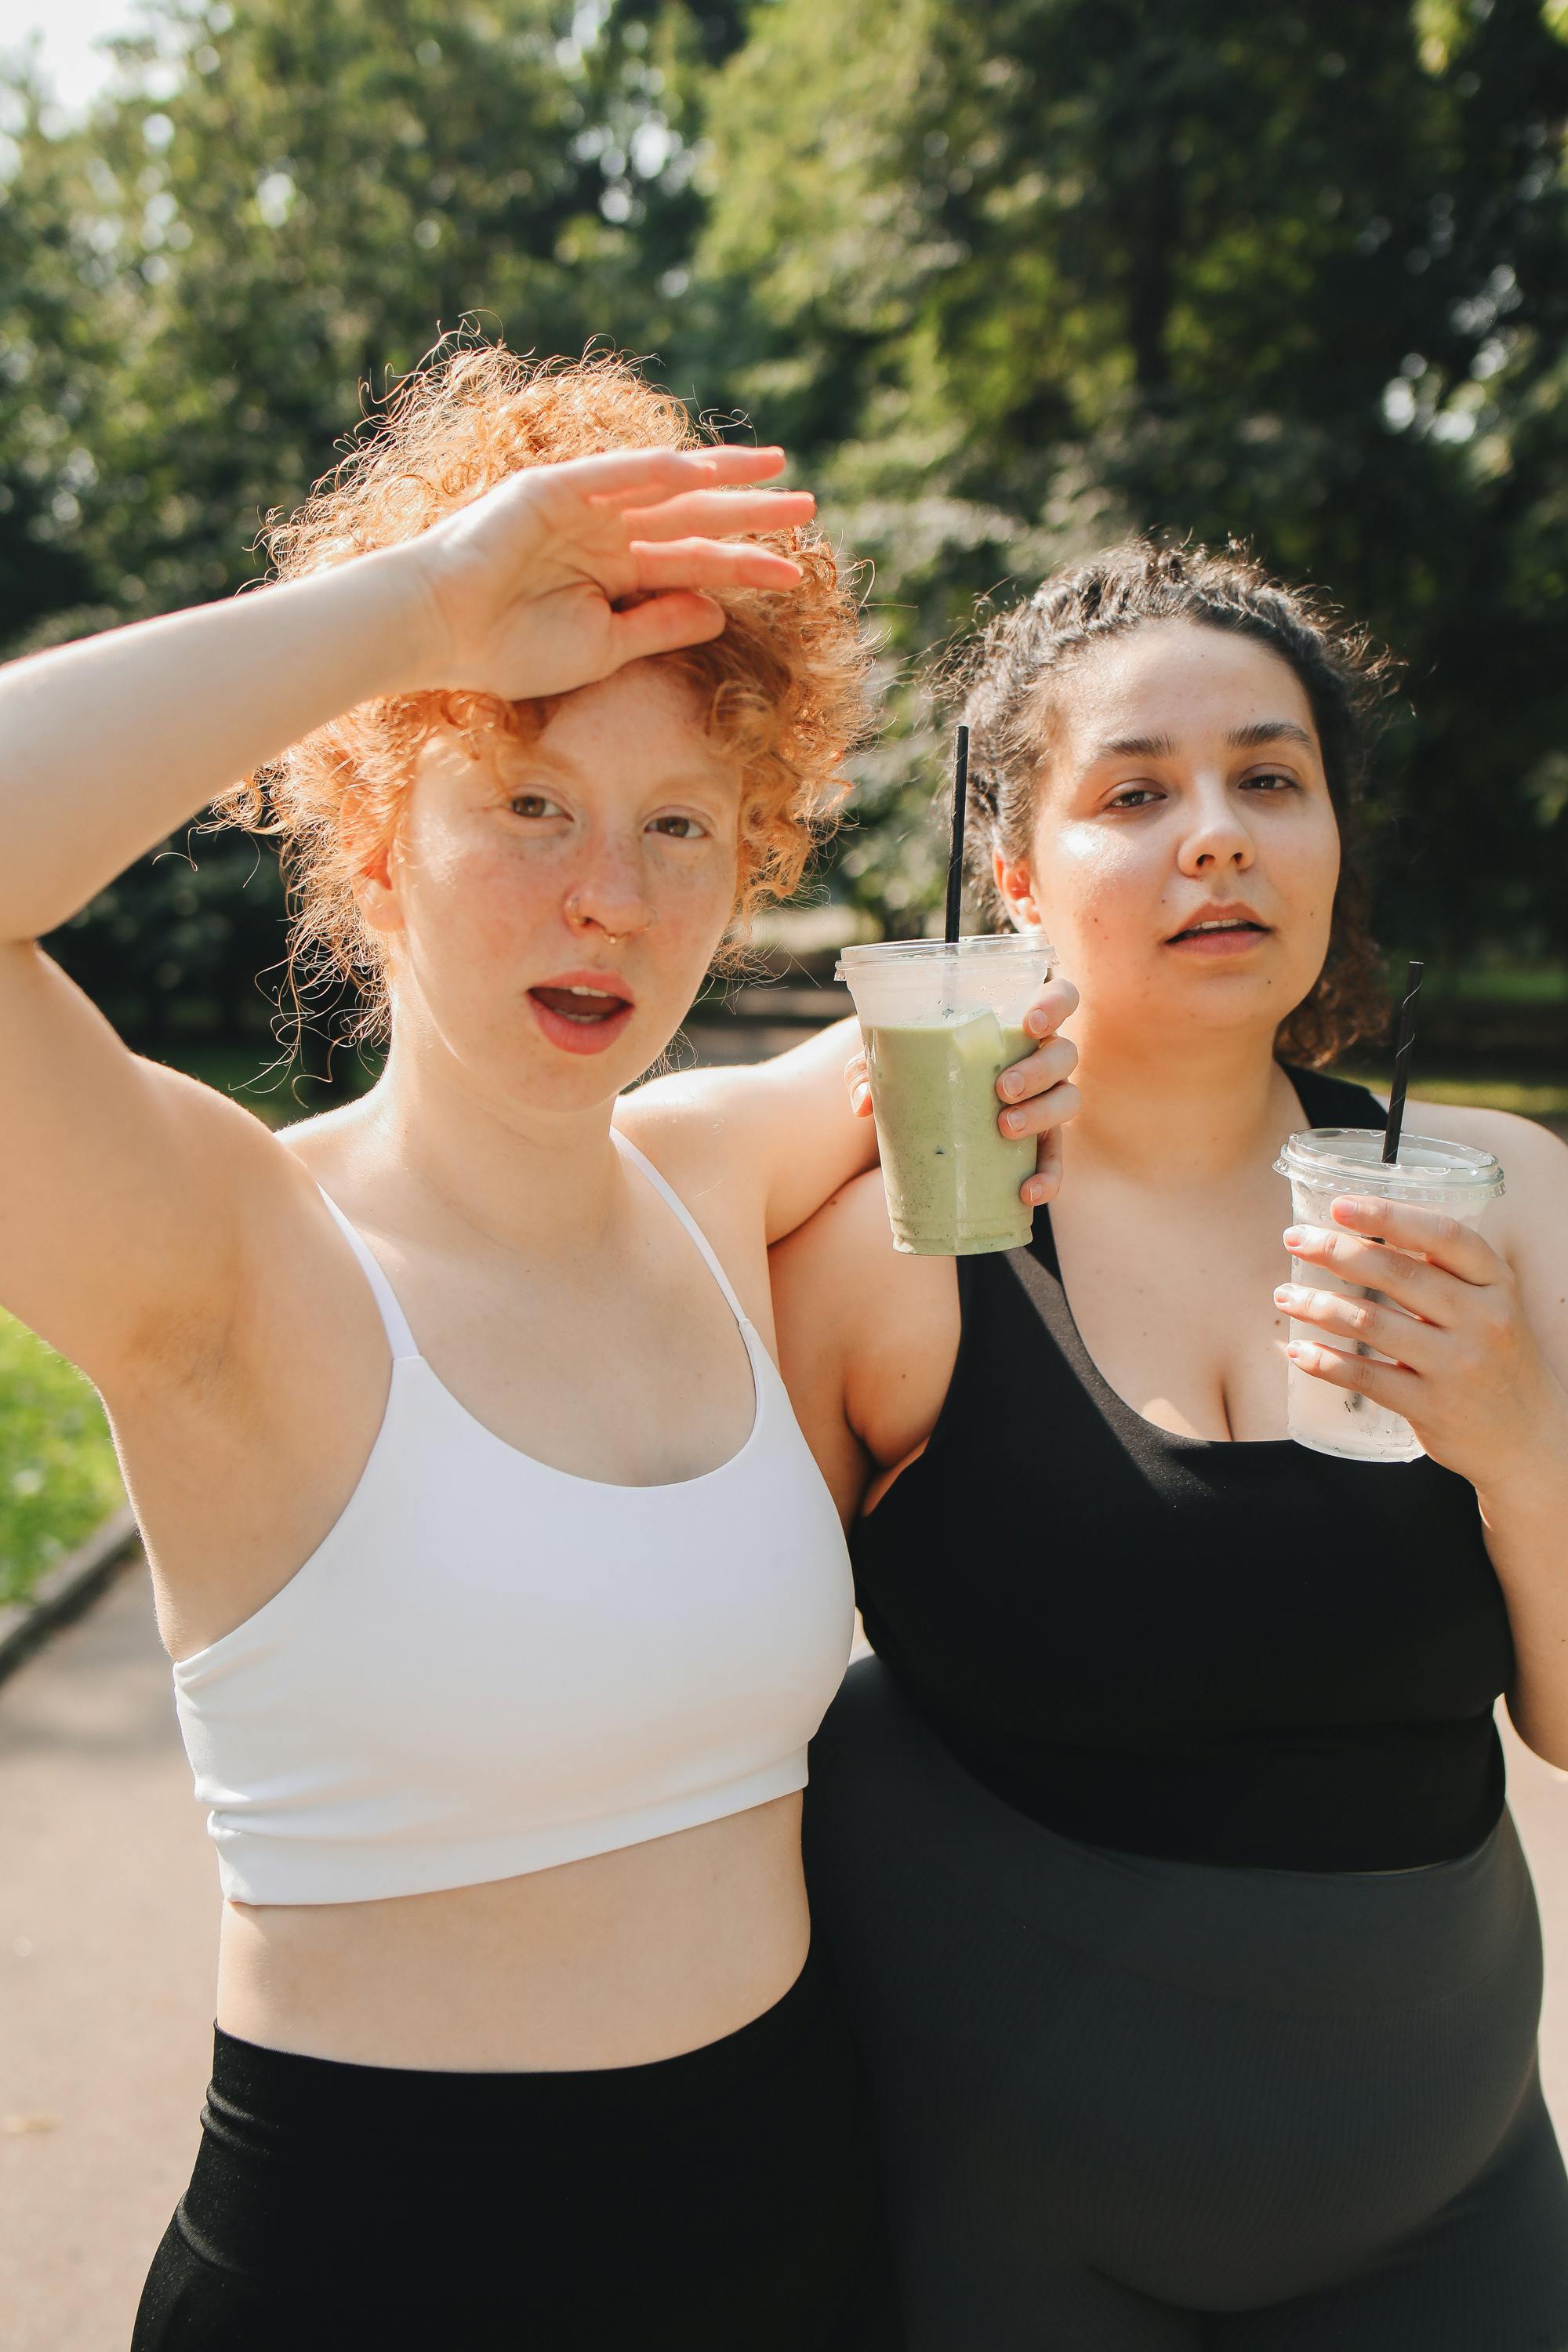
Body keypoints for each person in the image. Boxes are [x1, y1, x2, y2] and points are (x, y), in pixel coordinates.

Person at [0, 343, 1073, 2350]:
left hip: (792, 2242)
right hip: (376, 2275)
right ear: (369, 825)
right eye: (525, 799)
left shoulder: (714, 1166)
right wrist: (420, 606)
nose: (609, 899)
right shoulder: (235, 1256)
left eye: (684, 827)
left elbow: (1051, 1002)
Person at [771, 543, 1568, 2350]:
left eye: (1268, 779)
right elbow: (705, 1723)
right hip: (992, 2241)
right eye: (1134, 792)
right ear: (1014, 874)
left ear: (1332, 841)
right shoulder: (889, 1258)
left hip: (1449, 2226)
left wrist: (1519, 1443)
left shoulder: (1505, 1203)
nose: (1216, 835)